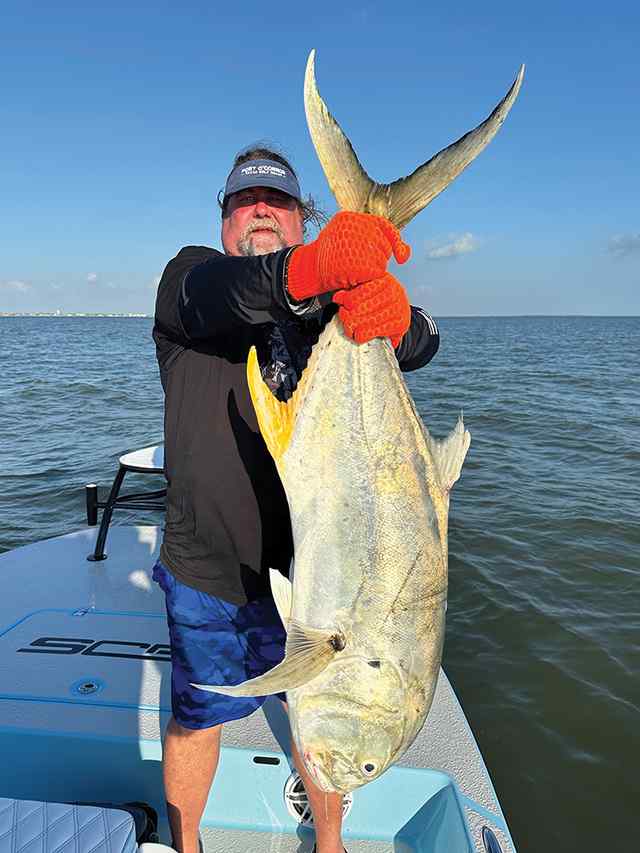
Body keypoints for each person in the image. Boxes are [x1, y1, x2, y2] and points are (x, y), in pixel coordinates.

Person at [152, 146, 440, 853]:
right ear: (224, 221)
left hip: (323, 579)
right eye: (244, 200)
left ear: (302, 219)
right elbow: (223, 294)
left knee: (325, 712)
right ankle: (186, 843)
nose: (259, 209)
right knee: (198, 715)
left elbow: (423, 343)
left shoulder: (325, 311)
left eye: (276, 202)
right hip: (211, 572)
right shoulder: (190, 279)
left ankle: (331, 843)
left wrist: (402, 322)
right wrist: (314, 269)